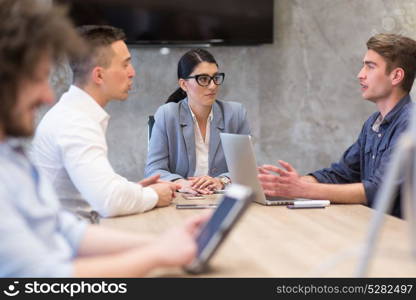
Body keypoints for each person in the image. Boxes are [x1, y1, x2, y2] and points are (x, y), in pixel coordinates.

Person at [0, 0, 208, 277]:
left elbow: (62, 228)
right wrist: (156, 251)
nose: (47, 96)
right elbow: (42, 276)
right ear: (98, 74)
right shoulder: (74, 122)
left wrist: (159, 243)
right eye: (36, 79)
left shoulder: (11, 155)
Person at [258, 33, 416, 218]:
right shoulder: (372, 124)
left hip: (401, 237)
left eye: (370, 67)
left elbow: (379, 190)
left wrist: (302, 189)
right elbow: (341, 174)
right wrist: (288, 184)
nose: (360, 75)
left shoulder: (410, 123)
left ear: (396, 76)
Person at [31, 25, 177, 218]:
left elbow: (103, 188)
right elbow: (109, 202)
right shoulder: (75, 123)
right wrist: (154, 195)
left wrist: (136, 191)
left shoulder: (74, 112)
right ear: (99, 75)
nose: (132, 72)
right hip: (64, 241)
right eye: (125, 64)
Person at [145, 49, 251, 194]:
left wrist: (221, 181)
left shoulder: (236, 114)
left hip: (221, 199)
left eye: (215, 77)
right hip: (180, 200)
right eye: (203, 79)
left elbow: (246, 169)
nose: (213, 85)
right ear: (183, 84)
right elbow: (153, 170)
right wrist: (181, 183)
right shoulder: (167, 115)